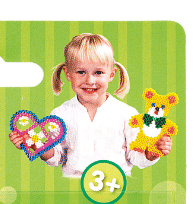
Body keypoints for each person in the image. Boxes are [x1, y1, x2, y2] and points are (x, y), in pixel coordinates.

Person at [9, 33, 173, 177]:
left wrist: (151, 152)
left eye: (98, 72)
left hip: (116, 188)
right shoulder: (60, 114)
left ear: (111, 74)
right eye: (81, 72)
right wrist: (36, 144)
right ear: (68, 74)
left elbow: (135, 157)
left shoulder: (126, 113)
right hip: (73, 188)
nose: (89, 80)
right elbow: (57, 157)